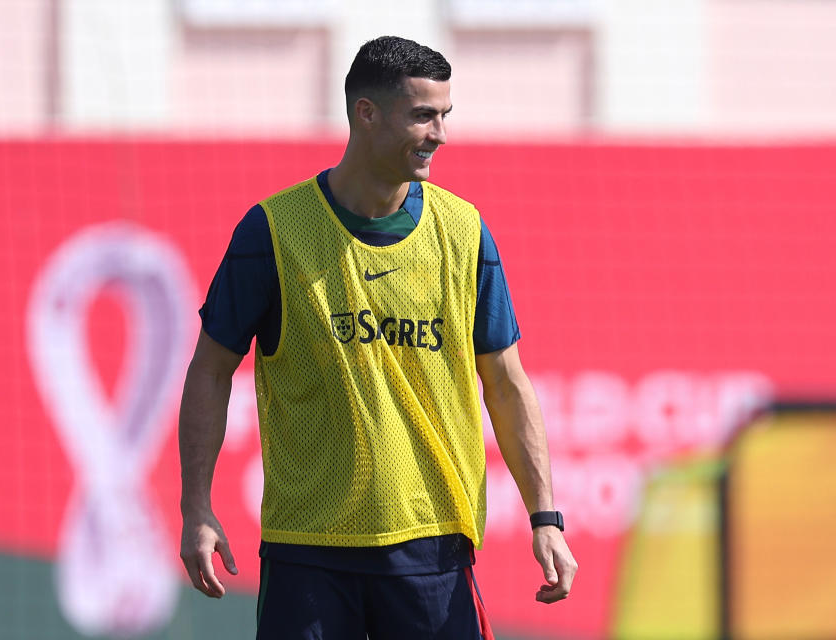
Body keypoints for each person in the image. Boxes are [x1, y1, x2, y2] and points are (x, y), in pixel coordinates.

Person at [179, 35, 577, 639]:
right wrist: (196, 507)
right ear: (365, 113)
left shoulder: (464, 232)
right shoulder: (273, 231)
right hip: (306, 549)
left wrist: (545, 517)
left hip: (433, 550)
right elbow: (209, 370)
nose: (440, 134)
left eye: (445, 115)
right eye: (423, 115)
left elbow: (506, 380)